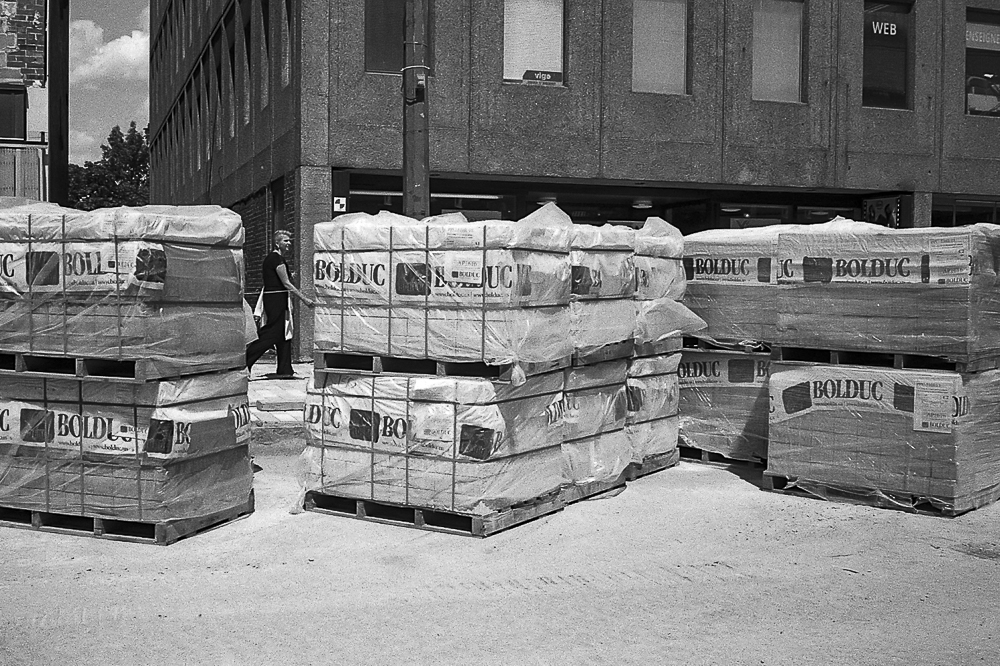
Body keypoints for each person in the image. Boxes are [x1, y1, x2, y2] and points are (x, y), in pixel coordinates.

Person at [246, 230, 315, 377]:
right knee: (273, 332)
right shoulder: (276, 259)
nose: (289, 243)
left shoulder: (277, 259)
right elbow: (286, 283)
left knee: (284, 333)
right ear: (277, 243)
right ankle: (246, 361)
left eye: (290, 240)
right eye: (285, 240)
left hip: (278, 298)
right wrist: (304, 299)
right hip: (275, 300)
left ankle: (285, 369)